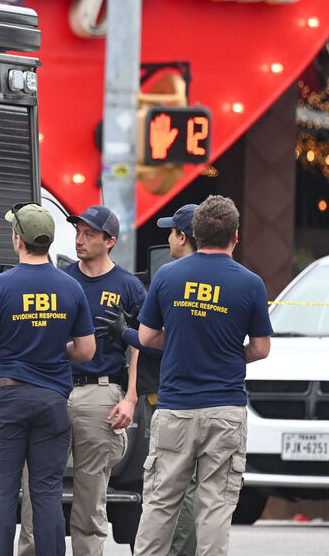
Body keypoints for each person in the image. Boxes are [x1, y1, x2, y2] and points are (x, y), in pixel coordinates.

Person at [130, 195, 273, 556]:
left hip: (175, 407)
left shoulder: (168, 275)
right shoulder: (251, 283)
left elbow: (145, 338)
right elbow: (260, 349)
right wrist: (226, 353)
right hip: (225, 410)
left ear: (194, 232)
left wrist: (180, 343)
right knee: (214, 509)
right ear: (235, 236)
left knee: (161, 504)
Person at [0, 203, 96, 556]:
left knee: (4, 495)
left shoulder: (1, 285)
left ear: (17, 240)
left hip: (7, 399)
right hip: (52, 400)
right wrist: (56, 347)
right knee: (47, 494)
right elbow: (86, 350)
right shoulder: (71, 287)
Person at [18, 205, 144, 556]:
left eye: (89, 234)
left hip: (101, 392)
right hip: (54, 389)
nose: (80, 239)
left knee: (91, 496)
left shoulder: (129, 286)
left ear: (110, 241)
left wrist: (131, 397)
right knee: (36, 489)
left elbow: (140, 346)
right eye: (77, 231)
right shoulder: (60, 278)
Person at [103, 203, 200, 556]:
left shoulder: (170, 278)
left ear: (183, 237)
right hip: (217, 401)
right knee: (197, 488)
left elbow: (155, 341)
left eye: (172, 232)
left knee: (171, 485)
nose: (169, 238)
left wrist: (125, 332)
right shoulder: (230, 278)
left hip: (173, 397)